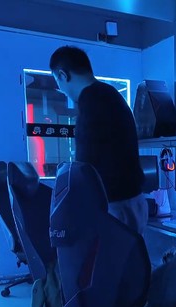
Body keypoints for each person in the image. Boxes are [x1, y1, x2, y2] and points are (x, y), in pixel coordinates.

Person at [49, 45, 148, 235]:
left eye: (57, 81)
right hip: (132, 200)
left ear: (63, 75)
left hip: (114, 207)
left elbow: (85, 167)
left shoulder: (91, 102)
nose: (61, 89)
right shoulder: (110, 94)